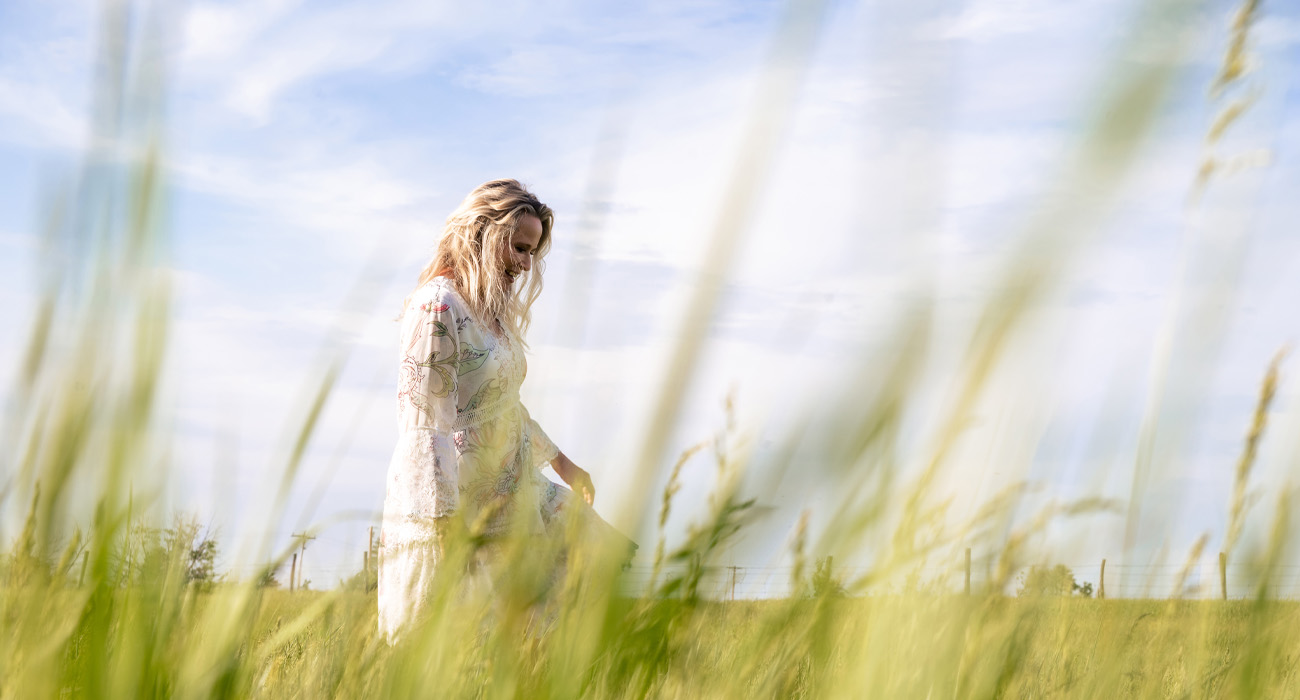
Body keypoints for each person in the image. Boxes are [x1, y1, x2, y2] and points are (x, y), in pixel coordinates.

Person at [377, 179, 620, 640]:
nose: (526, 264)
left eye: (532, 252)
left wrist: (563, 464)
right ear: (482, 234)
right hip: (458, 503)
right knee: (457, 646)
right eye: (519, 248)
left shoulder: (489, 310)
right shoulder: (438, 305)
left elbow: (505, 405)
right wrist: (445, 525)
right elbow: (424, 424)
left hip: (513, 492)